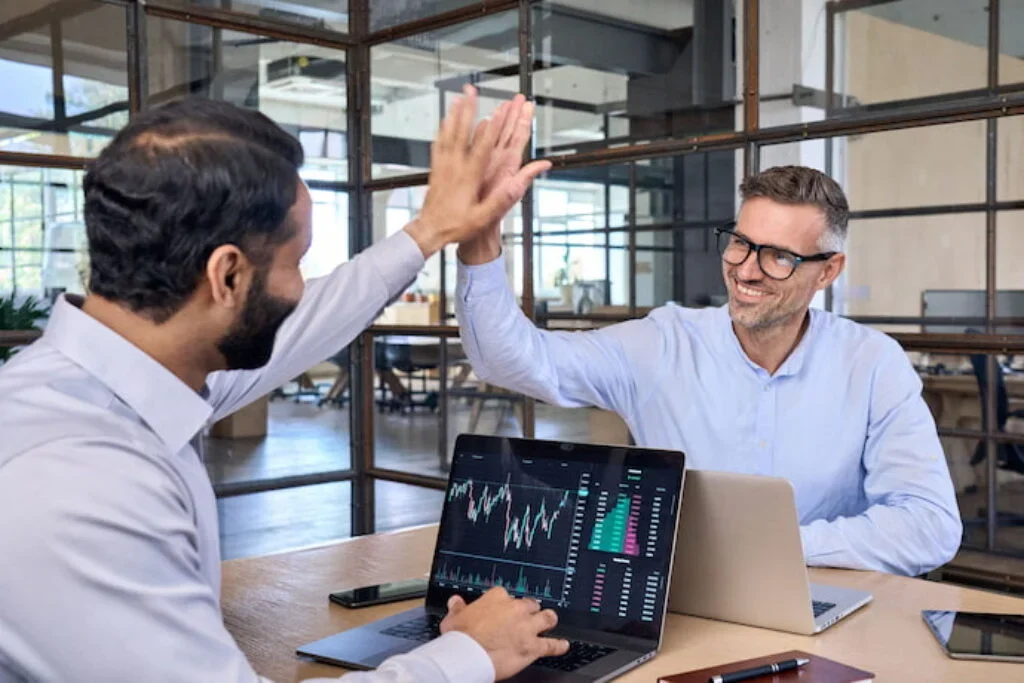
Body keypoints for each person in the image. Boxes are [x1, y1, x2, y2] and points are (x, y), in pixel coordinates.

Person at [0, 89, 568, 682]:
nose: (300, 289)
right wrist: (468, 655)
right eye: (297, 263)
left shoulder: (113, 386)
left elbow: (309, 324)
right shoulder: (77, 479)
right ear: (226, 275)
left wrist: (429, 232)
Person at [454, 165, 963, 577]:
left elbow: (930, 524)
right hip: (689, 607)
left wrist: (778, 548)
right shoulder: (663, 343)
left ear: (828, 271)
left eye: (779, 257)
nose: (745, 269)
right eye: (740, 242)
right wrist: (480, 246)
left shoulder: (873, 364)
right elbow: (512, 359)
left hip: (828, 606)